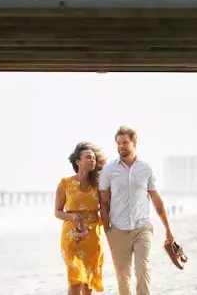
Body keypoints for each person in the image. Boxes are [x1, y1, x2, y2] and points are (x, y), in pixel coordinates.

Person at [99, 126, 175, 295]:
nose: (121, 146)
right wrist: (107, 229)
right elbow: (103, 202)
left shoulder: (146, 169)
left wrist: (168, 229)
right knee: (123, 277)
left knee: (143, 270)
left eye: (125, 142)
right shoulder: (108, 170)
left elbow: (156, 201)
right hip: (118, 230)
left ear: (134, 143)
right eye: (118, 143)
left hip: (142, 228)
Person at [55, 142, 107, 294]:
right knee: (75, 279)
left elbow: (105, 211)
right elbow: (57, 212)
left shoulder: (98, 185)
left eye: (94, 158)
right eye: (88, 157)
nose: (92, 160)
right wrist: (72, 216)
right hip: (72, 238)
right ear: (78, 161)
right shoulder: (65, 184)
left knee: (88, 283)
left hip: (92, 237)